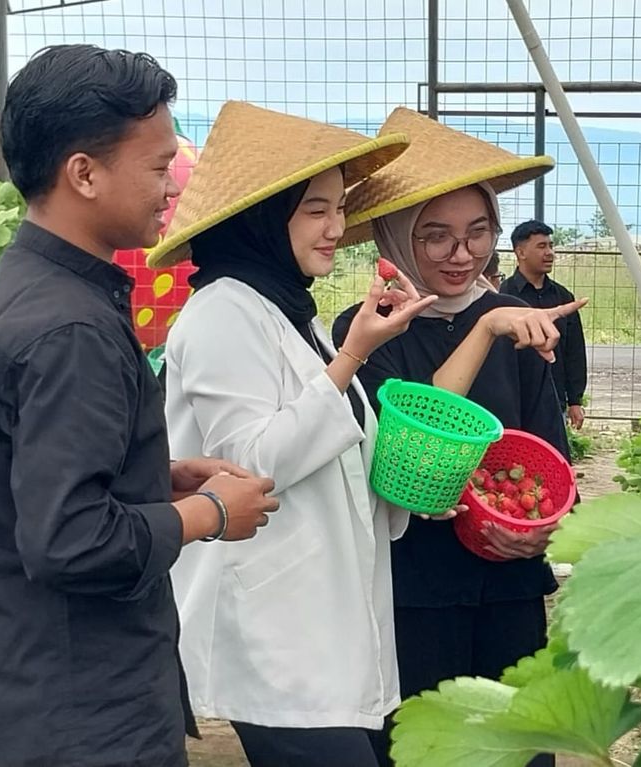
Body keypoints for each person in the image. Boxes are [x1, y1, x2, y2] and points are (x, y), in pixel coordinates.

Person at [0, 46, 279, 767]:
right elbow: (69, 541)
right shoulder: (69, 326)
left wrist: (150, 472)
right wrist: (208, 514)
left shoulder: (25, 284)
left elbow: (36, 470)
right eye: (156, 168)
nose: (170, 189)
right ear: (83, 172)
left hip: (15, 679)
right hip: (75, 708)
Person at [146, 102, 446, 767]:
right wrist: (352, 357)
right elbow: (250, 463)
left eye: (340, 207)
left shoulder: (287, 309)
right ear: (263, 216)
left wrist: (410, 489)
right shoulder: (222, 311)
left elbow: (334, 448)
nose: (337, 226)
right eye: (316, 208)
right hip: (273, 631)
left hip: (322, 619)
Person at [333, 107, 585, 767]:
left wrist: (540, 531)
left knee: (517, 745)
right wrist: (487, 325)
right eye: (436, 235)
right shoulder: (365, 330)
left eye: (478, 233)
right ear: (393, 237)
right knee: (422, 749)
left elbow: (550, 460)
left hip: (509, 588)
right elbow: (412, 457)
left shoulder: (519, 323)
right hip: (414, 589)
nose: (461, 253)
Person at [502, 220, 589, 430]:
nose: (550, 252)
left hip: (554, 397)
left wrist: (575, 400)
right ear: (520, 252)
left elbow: (575, 351)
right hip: (515, 398)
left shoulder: (563, 297)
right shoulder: (504, 297)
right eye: (541, 246)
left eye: (551, 246)